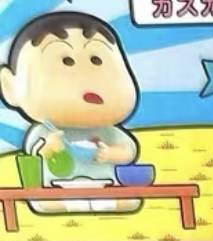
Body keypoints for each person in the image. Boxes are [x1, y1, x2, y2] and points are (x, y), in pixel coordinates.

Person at [0, 10, 141, 214]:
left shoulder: (109, 131)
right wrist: (51, 148)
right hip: (60, 186)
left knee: (129, 201)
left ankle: (103, 203)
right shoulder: (45, 131)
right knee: (46, 203)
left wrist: (112, 153)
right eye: (66, 61)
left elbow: (129, 151)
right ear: (10, 87)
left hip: (103, 185)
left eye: (96, 60)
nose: (86, 76)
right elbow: (37, 153)